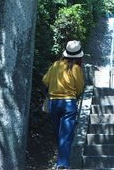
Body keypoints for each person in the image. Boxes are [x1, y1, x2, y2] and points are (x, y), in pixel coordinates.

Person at [42, 40, 85, 170]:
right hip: (69, 103)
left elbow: (45, 80)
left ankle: (61, 163)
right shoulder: (76, 68)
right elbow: (79, 87)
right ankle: (63, 164)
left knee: (59, 134)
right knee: (65, 135)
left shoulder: (55, 65)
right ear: (79, 56)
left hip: (54, 103)